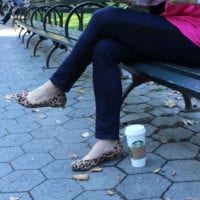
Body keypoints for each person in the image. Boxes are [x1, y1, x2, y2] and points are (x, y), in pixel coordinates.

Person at [15, 0, 200, 171]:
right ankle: (107, 141)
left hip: (193, 37)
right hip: (176, 27)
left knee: (104, 16)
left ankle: (55, 88)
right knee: (105, 49)